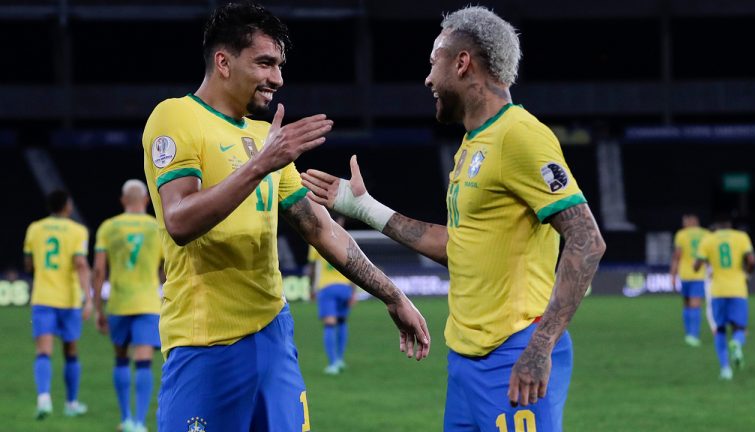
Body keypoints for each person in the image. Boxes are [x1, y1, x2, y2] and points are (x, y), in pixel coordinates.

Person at [301, 6, 605, 432]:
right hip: (466, 361)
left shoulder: (520, 135)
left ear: (462, 63)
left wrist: (541, 346)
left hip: (513, 354)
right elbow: (460, 246)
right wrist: (365, 208)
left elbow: (587, 239)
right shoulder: (472, 146)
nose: (428, 78)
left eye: (433, 62)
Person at [141, 2, 430, 431]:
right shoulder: (176, 116)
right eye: (265, 63)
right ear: (223, 61)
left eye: (279, 65)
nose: (277, 78)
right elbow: (180, 221)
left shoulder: (263, 134)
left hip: (274, 338)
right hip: (205, 345)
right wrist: (261, 163)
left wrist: (392, 295)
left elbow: (320, 228)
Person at [92, 179, 163, 432]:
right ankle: (140, 423)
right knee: (143, 361)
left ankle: (125, 418)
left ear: (123, 201)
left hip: (119, 303)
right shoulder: (157, 225)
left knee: (121, 359)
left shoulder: (108, 227)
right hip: (148, 303)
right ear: (145, 200)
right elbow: (168, 268)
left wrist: (98, 306)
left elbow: (99, 270)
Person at [23, 189, 91, 419]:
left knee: (43, 351)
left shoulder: (35, 228)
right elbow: (80, 263)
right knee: (71, 351)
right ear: (67, 206)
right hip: (69, 300)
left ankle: (44, 399)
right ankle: (71, 403)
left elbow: (29, 264)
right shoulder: (78, 231)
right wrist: (88, 298)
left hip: (43, 297)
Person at [694, 214, 755, 380]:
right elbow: (751, 260)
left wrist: (707, 263)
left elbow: (696, 265)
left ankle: (725, 369)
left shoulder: (708, 239)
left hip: (717, 291)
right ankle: (736, 343)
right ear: (730, 224)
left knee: (720, 330)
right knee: (740, 328)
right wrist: (746, 275)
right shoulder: (741, 237)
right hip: (738, 289)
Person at [305, 215, 356, 375]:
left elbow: (312, 269)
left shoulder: (317, 238)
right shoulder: (347, 240)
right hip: (345, 287)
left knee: (329, 324)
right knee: (341, 322)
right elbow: (355, 268)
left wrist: (310, 289)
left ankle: (333, 363)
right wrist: (353, 291)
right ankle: (340, 360)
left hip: (327, 288)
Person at [670, 214, 710, 346]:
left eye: (684, 221)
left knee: (687, 304)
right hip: (699, 274)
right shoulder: (706, 234)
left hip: (685, 274)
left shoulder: (681, 234)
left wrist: (673, 276)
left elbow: (677, 256)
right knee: (695, 304)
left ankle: (689, 334)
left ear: (691, 221)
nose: (683, 224)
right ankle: (692, 335)